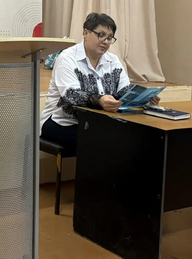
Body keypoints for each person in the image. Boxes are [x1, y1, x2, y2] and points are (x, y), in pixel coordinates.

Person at [39, 12, 159, 155]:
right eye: (101, 35)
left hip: (97, 123)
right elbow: (72, 96)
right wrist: (99, 100)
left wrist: (143, 97)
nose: (106, 42)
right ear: (86, 33)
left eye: (109, 38)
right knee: (106, 141)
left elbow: (124, 90)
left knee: (142, 135)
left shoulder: (113, 60)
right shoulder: (67, 58)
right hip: (61, 122)